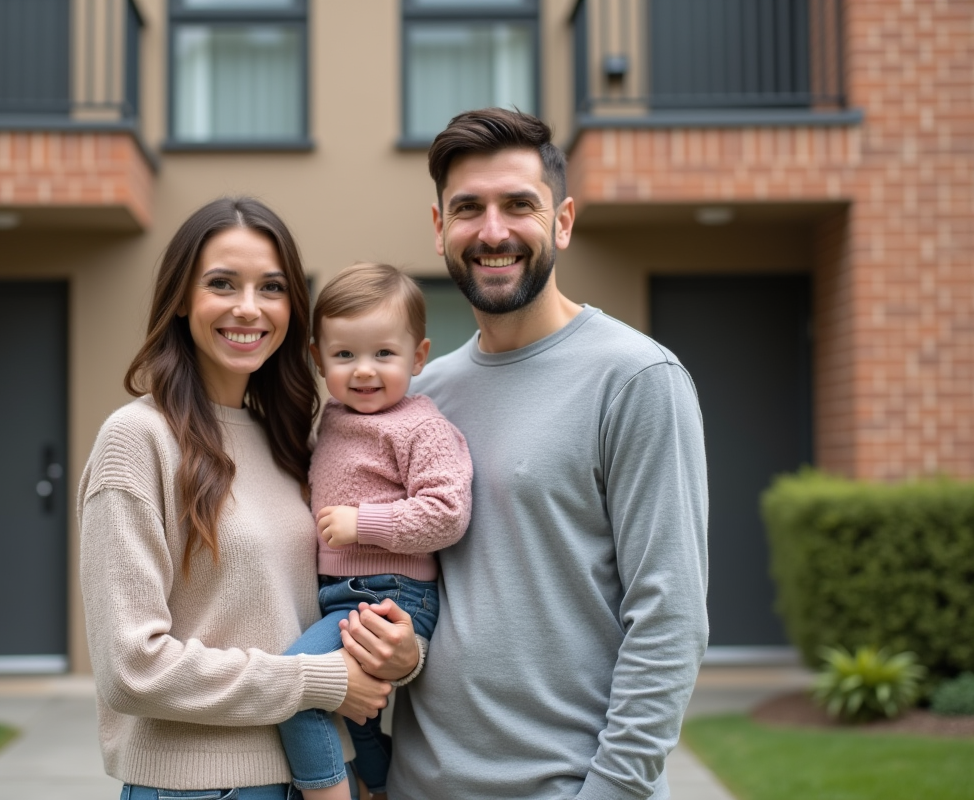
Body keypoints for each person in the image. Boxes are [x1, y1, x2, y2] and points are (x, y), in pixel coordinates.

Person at [370, 109, 711, 799]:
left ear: (562, 221)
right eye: (468, 208)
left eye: (519, 205)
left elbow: (669, 617)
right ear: (440, 228)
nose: (493, 231)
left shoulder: (637, 379)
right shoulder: (422, 397)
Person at [77, 197, 419, 800]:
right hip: (203, 789)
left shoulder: (287, 439)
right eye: (222, 284)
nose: (248, 307)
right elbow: (131, 669)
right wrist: (315, 682)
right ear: (181, 299)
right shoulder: (137, 440)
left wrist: (400, 654)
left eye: (272, 287)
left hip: (319, 776)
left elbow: (322, 608)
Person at [275, 263, 473, 800]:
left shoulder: (420, 426)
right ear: (318, 359)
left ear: (419, 356)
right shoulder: (334, 418)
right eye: (345, 355)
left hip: (389, 594)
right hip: (344, 594)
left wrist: (363, 522)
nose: (364, 371)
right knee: (355, 716)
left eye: (383, 354)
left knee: (297, 686)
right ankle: (379, 788)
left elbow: (447, 512)